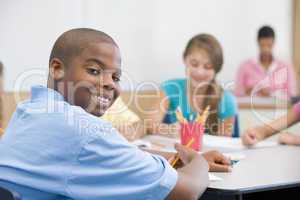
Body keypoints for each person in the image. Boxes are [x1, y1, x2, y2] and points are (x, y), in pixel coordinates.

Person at [0, 28, 231, 200]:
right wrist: (198, 160)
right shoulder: (86, 132)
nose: (110, 84)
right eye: (94, 70)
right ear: (57, 68)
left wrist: (179, 156)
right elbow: (187, 190)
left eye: (116, 77)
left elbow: (113, 149)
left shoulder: (30, 110)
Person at [148, 34, 238, 137]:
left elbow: (224, 144)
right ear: (184, 59)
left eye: (208, 67)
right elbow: (150, 124)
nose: (199, 72)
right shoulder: (170, 88)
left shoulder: (226, 100)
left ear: (216, 69)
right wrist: (169, 129)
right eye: (194, 64)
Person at [234, 25, 297, 98]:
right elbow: (237, 94)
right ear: (258, 43)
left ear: (274, 43)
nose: (265, 50)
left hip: (278, 108)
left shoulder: (286, 67)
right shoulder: (244, 66)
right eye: (262, 45)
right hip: (250, 108)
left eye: (269, 45)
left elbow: (292, 96)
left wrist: (271, 94)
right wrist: (248, 91)